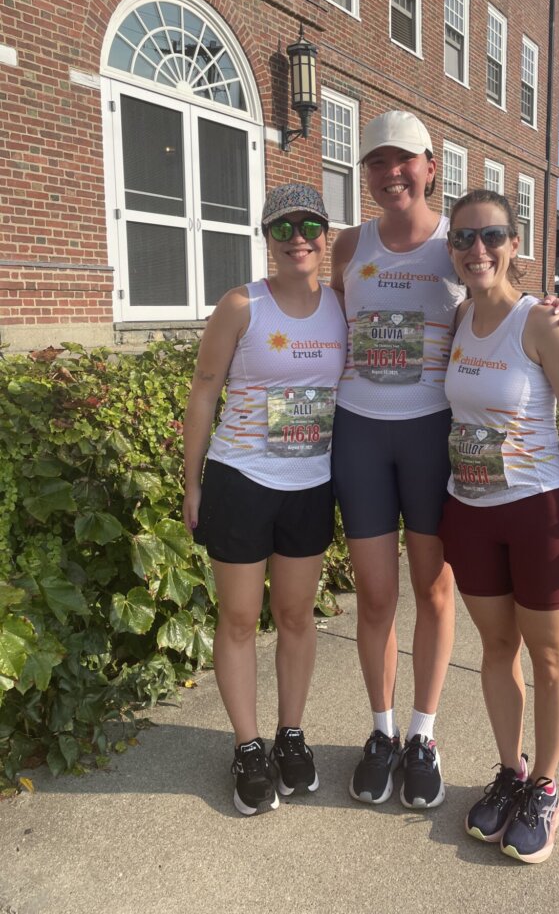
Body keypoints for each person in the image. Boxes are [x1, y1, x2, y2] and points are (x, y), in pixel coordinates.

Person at [330, 110, 559, 810]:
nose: (389, 173)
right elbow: (321, 316)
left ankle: (423, 735)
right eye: (376, 161)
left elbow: (503, 295)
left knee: (435, 591)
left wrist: (558, 313)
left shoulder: (456, 242)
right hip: (361, 434)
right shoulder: (348, 246)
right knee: (376, 597)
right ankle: (380, 732)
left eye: (402, 160)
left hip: (433, 436)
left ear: (430, 165)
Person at [437, 188, 559, 863]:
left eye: (492, 236)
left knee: (551, 657)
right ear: (452, 249)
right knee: (497, 648)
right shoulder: (456, 319)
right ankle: (510, 771)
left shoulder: (541, 322)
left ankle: (546, 788)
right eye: (465, 238)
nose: (478, 250)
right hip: (469, 512)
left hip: (540, 510)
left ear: (514, 244)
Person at [183, 184, 347, 816]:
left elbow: (435, 310)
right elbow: (203, 392)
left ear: (325, 233)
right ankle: (248, 746)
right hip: (241, 478)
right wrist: (191, 480)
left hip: (310, 484)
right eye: (283, 228)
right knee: (239, 619)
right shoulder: (241, 306)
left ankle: (291, 733)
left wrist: (544, 309)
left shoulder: (340, 304)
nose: (297, 238)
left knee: (299, 617)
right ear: (267, 238)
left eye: (309, 225)